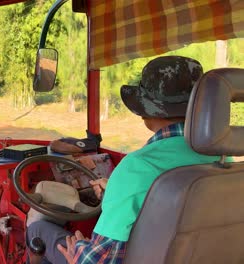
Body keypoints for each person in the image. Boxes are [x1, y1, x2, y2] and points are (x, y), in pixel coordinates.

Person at [26, 56, 223, 263]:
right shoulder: (218, 158)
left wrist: (79, 251)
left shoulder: (137, 167)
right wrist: (115, 191)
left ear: (145, 112)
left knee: (38, 230)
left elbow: (96, 261)